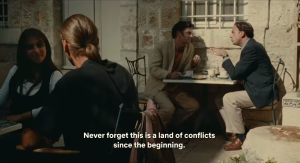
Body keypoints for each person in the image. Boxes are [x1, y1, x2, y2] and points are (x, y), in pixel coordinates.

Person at [21, 14, 140, 162]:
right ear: (97, 41)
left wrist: (24, 130)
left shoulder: (70, 81)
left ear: (65, 45)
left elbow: (31, 141)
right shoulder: (123, 73)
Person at [210, 21, 279, 151]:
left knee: (229, 98)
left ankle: (240, 137)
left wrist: (224, 56)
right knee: (218, 100)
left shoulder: (251, 48)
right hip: (257, 88)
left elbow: (235, 74)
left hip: (262, 93)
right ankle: (237, 131)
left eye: (233, 32)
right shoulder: (251, 46)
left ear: (242, 34)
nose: (230, 35)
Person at [0, 28, 62, 157]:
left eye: (39, 45)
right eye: (30, 47)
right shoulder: (15, 71)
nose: (36, 51)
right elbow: (2, 96)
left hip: (37, 139)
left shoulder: (54, 76)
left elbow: (54, 107)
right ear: (23, 51)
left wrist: (23, 116)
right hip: (12, 133)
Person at [144, 21, 201, 131]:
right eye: (188, 33)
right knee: (168, 108)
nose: (191, 36)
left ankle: (169, 125)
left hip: (174, 88)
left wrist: (193, 64)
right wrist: (169, 75)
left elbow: (185, 72)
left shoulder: (190, 48)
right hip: (158, 87)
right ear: (179, 34)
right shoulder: (162, 46)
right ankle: (151, 130)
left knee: (193, 106)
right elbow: (153, 69)